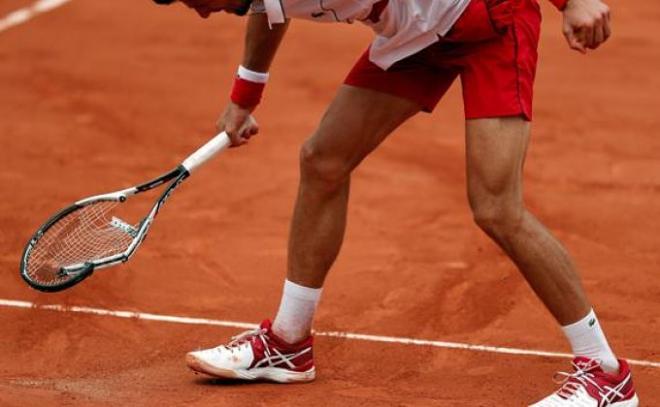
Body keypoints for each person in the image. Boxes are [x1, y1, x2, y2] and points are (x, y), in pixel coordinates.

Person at [163, 0, 638, 405]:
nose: (202, 14)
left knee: (496, 207)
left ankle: (607, 375)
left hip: (488, 20)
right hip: (415, 37)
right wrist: (246, 95)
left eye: (196, 0)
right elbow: (271, 10)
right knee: (323, 160)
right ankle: (288, 343)